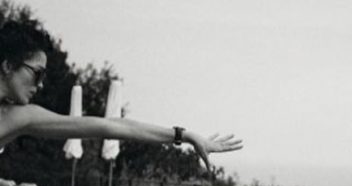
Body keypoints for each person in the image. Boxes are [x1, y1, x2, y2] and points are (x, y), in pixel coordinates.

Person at [0, 20, 242, 171]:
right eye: (37, 74)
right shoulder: (15, 118)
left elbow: (110, 126)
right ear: (8, 66)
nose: (41, 84)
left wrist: (183, 135)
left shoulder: (18, 117)